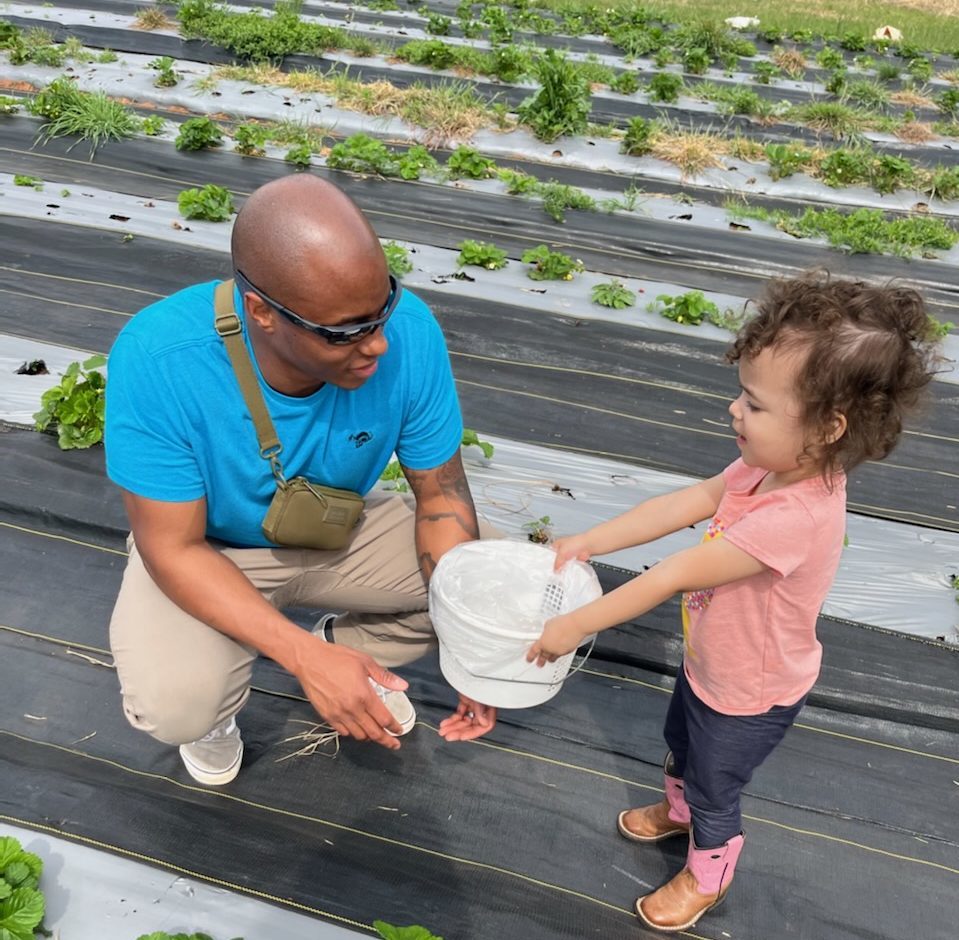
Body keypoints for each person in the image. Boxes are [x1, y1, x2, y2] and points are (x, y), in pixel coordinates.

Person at [527, 272, 941, 931]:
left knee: (715, 784)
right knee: (679, 745)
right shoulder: (763, 468)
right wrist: (590, 540)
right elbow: (688, 502)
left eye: (754, 404)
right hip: (711, 665)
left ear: (827, 428)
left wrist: (571, 626)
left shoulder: (797, 517)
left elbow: (671, 574)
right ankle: (678, 812)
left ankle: (708, 870)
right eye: (741, 394)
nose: (733, 410)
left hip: (750, 694)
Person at [105, 174, 496, 787]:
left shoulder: (409, 336)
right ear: (261, 312)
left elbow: (440, 496)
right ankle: (222, 712)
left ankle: (346, 651)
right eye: (345, 332)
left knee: (488, 585)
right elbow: (171, 547)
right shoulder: (160, 359)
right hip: (209, 550)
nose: (378, 345)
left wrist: (474, 649)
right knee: (177, 702)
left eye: (383, 311)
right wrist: (301, 658)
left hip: (335, 529)